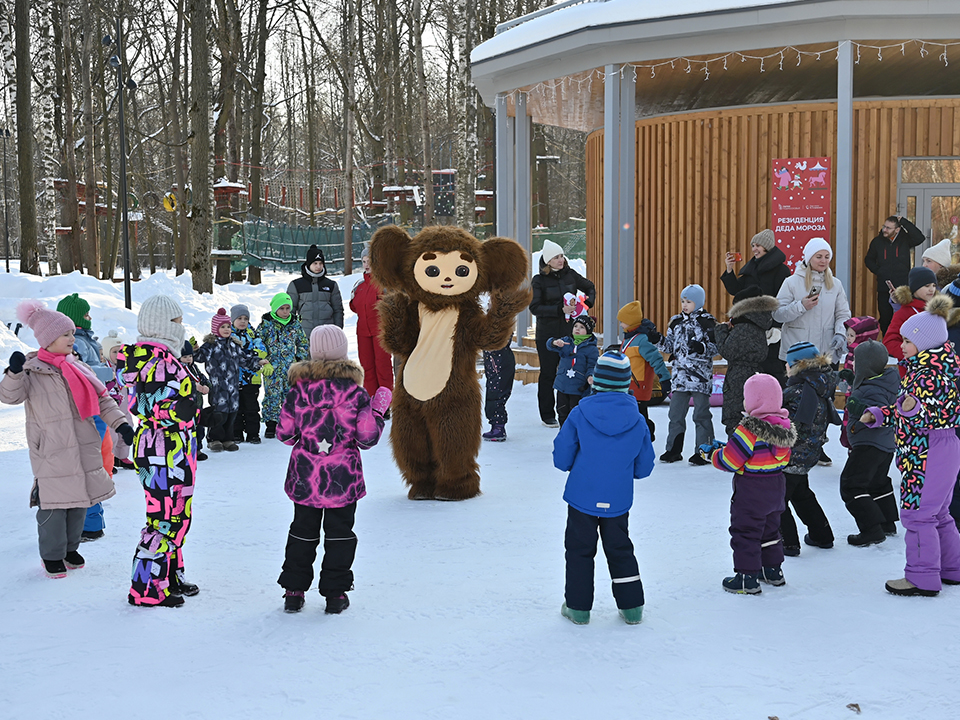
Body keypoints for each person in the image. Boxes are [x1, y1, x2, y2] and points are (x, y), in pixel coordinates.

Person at [0, 301, 133, 579]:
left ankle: (71, 549)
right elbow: (10, 396)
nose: (72, 338)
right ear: (48, 339)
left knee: (79, 502)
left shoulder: (79, 367)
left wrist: (120, 423)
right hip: (51, 449)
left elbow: (103, 399)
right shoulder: (31, 370)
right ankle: (52, 555)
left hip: (84, 445)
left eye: (73, 333)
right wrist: (13, 373)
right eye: (66, 334)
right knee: (54, 506)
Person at [277, 325, 391, 614]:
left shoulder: (297, 391)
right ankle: (335, 594)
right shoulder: (355, 394)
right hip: (342, 479)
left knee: (302, 531)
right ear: (343, 353)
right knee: (340, 533)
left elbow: (285, 434)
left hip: (306, 478)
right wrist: (377, 412)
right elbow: (366, 438)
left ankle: (294, 591)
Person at [859, 296, 960, 596]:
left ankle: (922, 577)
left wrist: (914, 410)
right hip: (937, 448)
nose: (901, 346)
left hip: (926, 451)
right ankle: (952, 568)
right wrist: (881, 414)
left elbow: (934, 414)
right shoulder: (932, 370)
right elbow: (908, 408)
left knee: (918, 514)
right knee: (938, 513)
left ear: (924, 343)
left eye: (907, 340)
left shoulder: (930, 376)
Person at [552, 351, 654, 625]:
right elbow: (644, 466)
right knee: (620, 549)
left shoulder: (580, 413)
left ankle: (578, 608)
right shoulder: (637, 420)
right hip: (617, 499)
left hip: (582, 496)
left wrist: (571, 464)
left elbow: (562, 456)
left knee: (579, 550)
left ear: (596, 380)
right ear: (626, 383)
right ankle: (632, 607)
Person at [120, 294, 198, 607]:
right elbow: (145, 405)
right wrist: (176, 411)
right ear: (163, 325)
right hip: (164, 448)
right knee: (165, 518)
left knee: (175, 515)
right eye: (177, 322)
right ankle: (147, 587)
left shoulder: (154, 356)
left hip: (170, 446)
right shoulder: (157, 360)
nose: (181, 327)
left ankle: (169, 573)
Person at [701, 373, 796, 594]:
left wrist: (713, 455)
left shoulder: (749, 429)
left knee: (746, 531)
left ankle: (746, 577)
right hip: (776, 485)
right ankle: (773, 571)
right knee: (770, 530)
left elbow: (731, 461)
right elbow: (781, 458)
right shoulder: (784, 427)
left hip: (751, 489)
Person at [779, 341, 839, 556]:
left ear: (797, 365)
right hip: (811, 450)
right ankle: (822, 535)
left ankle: (788, 543)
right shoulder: (820, 385)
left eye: (788, 363)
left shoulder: (796, 390)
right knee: (801, 493)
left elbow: (786, 422)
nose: (785, 367)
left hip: (791, 453)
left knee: (778, 499)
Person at [530, 239, 596, 428]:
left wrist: (587, 304)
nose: (561, 260)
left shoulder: (571, 274)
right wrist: (560, 310)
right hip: (547, 334)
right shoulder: (539, 280)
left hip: (570, 334)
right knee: (548, 373)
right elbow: (535, 307)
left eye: (561, 256)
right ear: (547, 261)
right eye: (556, 257)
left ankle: (572, 410)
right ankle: (547, 414)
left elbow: (590, 287)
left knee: (573, 371)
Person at [840, 340, 900, 546]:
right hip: (884, 445)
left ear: (865, 365)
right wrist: (851, 380)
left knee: (851, 485)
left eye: (856, 361)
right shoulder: (884, 381)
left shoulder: (872, 390)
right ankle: (887, 522)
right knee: (877, 482)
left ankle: (871, 529)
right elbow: (869, 391)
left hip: (868, 444)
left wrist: (860, 408)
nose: (853, 364)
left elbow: (879, 409)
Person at [658, 284, 717, 465]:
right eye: (683, 301)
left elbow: (716, 347)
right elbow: (669, 346)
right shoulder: (675, 322)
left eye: (689, 302)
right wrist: (657, 339)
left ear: (698, 303)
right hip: (680, 377)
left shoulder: (707, 322)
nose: (684, 305)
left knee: (701, 414)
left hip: (700, 377)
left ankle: (704, 451)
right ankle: (673, 449)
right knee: (675, 414)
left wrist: (702, 347)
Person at [721, 230, 791, 379]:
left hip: (771, 328)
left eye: (758, 245)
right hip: (750, 328)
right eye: (753, 245)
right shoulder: (751, 269)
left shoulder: (781, 270)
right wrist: (729, 269)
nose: (754, 249)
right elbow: (736, 290)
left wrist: (776, 326)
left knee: (772, 368)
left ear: (767, 246)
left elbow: (784, 300)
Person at [193, 308, 265, 452]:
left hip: (233, 387)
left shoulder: (233, 344)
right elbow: (200, 357)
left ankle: (227, 438)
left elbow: (244, 359)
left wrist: (257, 361)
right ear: (215, 329)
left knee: (232, 413)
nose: (226, 329)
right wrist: (194, 349)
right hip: (218, 387)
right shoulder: (211, 345)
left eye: (228, 326)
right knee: (218, 413)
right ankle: (214, 439)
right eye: (223, 327)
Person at [774, 238, 852, 366]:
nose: (823, 261)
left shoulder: (835, 284)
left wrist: (840, 333)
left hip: (826, 354)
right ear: (809, 258)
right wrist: (801, 306)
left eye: (827, 257)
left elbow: (843, 314)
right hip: (798, 355)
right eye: (819, 257)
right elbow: (778, 314)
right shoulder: (791, 282)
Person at [715, 287, 779, 436]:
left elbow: (728, 351)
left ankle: (737, 448)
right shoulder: (759, 324)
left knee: (736, 419)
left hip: (738, 376)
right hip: (756, 372)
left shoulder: (744, 326)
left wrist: (720, 331)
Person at [257, 292, 309, 439]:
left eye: (287, 308)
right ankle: (271, 423)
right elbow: (258, 342)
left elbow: (302, 342)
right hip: (272, 368)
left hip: (290, 368)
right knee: (272, 395)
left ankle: (289, 423)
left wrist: (299, 359)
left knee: (290, 395)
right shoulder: (266, 325)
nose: (285, 312)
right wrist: (263, 359)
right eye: (282, 309)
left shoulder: (295, 324)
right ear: (275, 309)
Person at [617, 301, 670, 441]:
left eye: (623, 321)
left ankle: (647, 436)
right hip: (628, 385)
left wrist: (664, 378)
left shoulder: (642, 340)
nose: (621, 324)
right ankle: (638, 437)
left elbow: (656, 359)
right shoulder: (627, 338)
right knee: (632, 415)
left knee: (640, 415)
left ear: (631, 322)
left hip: (640, 386)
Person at [864, 215, 925, 333]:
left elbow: (920, 238)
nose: (884, 230)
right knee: (885, 318)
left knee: (904, 317)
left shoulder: (905, 239)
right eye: (884, 226)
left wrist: (904, 222)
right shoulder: (877, 242)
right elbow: (869, 259)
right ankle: (887, 340)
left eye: (888, 228)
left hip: (903, 287)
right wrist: (879, 271)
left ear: (897, 229)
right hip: (884, 287)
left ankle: (904, 340)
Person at [350, 247, 394, 400]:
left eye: (370, 261)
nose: (366, 265)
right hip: (363, 332)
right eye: (364, 261)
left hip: (380, 332)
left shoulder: (384, 284)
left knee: (383, 366)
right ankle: (371, 398)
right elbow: (354, 306)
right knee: (367, 367)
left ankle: (385, 400)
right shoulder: (359, 285)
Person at [547, 315, 599, 427]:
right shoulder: (566, 341)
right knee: (562, 411)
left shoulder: (591, 349)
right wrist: (554, 342)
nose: (577, 329)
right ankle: (563, 433)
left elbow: (592, 365)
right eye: (575, 326)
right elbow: (549, 345)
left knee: (576, 414)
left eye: (582, 327)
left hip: (578, 388)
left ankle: (575, 435)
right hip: (563, 385)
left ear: (588, 330)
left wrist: (590, 376)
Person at [883, 267, 938, 368]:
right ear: (915, 287)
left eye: (934, 285)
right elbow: (889, 342)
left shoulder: (938, 311)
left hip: (936, 368)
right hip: (911, 370)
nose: (932, 289)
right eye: (927, 286)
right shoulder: (904, 313)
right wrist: (911, 354)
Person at [286, 244, 344, 337]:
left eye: (321, 263)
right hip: (304, 335)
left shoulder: (331, 285)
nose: (318, 266)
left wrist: (337, 331)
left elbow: (338, 310)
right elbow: (290, 311)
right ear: (309, 264)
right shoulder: (296, 285)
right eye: (315, 263)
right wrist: (291, 332)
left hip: (327, 334)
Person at [231, 304, 268, 444]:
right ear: (233, 320)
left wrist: (253, 354)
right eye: (239, 318)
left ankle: (253, 433)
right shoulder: (229, 335)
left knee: (251, 407)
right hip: (234, 379)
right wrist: (249, 355)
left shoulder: (252, 334)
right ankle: (237, 433)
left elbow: (262, 350)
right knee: (237, 407)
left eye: (245, 318)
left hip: (252, 378)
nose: (243, 321)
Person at [101, 330, 137, 472]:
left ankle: (122, 456)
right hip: (111, 408)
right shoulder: (104, 369)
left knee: (128, 429)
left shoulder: (124, 367)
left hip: (124, 405)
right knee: (112, 435)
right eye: (114, 352)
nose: (118, 355)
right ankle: (109, 459)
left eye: (120, 351)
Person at [181, 341, 212, 462]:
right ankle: (185, 450)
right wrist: (195, 387)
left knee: (199, 428)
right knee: (187, 428)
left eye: (190, 356)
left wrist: (207, 386)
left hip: (198, 405)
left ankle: (198, 449)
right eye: (185, 357)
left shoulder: (194, 367)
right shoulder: (178, 369)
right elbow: (181, 384)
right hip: (185, 406)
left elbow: (202, 378)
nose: (188, 359)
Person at [482, 342, 516, 442]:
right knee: (495, 391)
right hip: (496, 359)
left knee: (496, 393)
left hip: (498, 360)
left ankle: (498, 427)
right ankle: (497, 426)